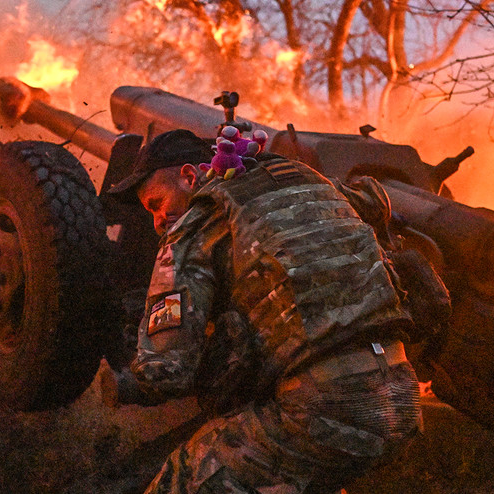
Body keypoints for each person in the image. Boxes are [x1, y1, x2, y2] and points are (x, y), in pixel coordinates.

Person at [107, 128, 423, 494]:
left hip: (322, 407)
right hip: (401, 397)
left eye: (156, 203)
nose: (158, 221)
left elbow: (165, 371)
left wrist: (128, 380)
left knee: (178, 481)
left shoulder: (195, 223)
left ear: (191, 177)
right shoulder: (315, 185)